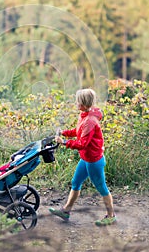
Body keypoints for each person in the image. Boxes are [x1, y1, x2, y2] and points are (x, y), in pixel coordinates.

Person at [49, 88, 116, 226]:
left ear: (84, 104)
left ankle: (111, 215)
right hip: (85, 159)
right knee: (75, 182)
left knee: (101, 187)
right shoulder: (84, 115)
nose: (76, 103)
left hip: (94, 161)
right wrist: (64, 133)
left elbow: (82, 144)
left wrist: (64, 142)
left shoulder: (90, 121)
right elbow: (78, 132)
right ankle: (66, 211)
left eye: (78, 101)